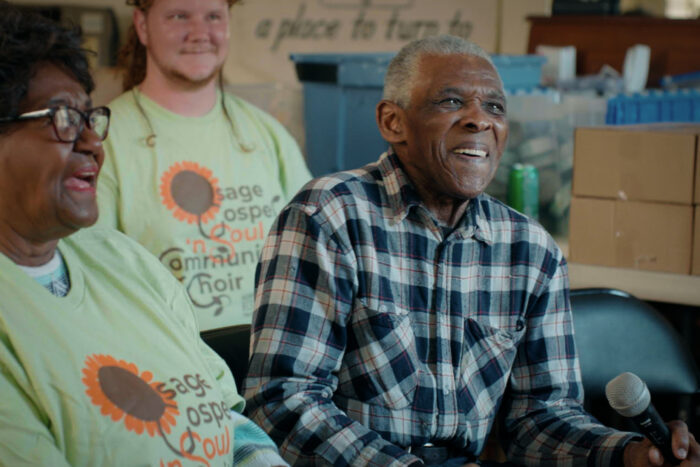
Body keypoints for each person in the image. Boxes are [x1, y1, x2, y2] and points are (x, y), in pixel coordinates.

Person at [243, 35, 700, 466]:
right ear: (392, 122)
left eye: (495, 107)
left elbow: (539, 418)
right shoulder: (329, 216)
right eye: (451, 102)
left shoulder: (529, 249)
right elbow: (283, 401)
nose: (480, 119)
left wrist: (625, 453)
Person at [0, 3, 287, 465]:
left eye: (88, 119)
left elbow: (229, 415)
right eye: (62, 118)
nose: (94, 143)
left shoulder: (126, 262)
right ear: (142, 25)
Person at [96, 0, 312, 331]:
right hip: (169, 361)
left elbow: (312, 248)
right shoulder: (104, 140)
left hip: (271, 354)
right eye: (178, 16)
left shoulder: (265, 132)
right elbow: (93, 273)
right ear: (142, 25)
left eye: (213, 16)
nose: (200, 33)